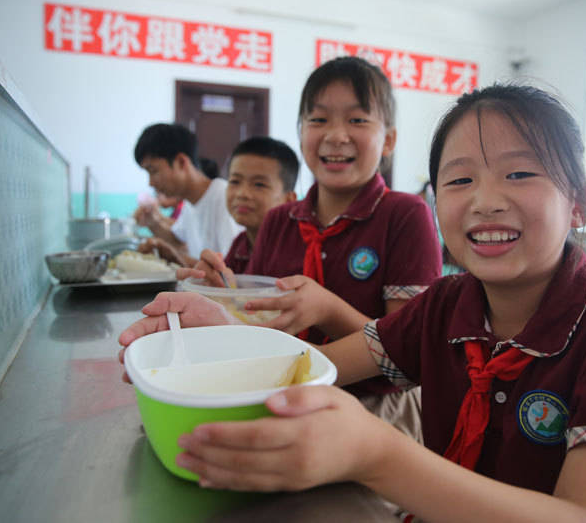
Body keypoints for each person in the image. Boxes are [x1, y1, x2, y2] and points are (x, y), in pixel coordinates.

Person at [118, 84, 586, 521]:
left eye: (519, 173)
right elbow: (314, 367)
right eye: (459, 181)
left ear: (581, 204)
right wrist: (225, 332)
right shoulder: (446, 305)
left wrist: (377, 455)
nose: (486, 201)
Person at [184, 56, 443, 440]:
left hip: (373, 414)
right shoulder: (278, 219)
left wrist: (327, 310)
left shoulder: (405, 215)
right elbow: (257, 317)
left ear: (388, 139)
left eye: (357, 120)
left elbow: (412, 355)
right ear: (301, 131)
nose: (336, 135)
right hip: (276, 395)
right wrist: (223, 289)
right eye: (318, 120)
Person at [132, 123, 242, 267]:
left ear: (181, 162)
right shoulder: (190, 202)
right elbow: (177, 240)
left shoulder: (222, 197)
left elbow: (230, 270)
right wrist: (153, 223)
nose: (151, 183)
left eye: (153, 171)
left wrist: (173, 257)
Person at [200, 136, 299, 275]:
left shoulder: (294, 250)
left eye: (259, 184)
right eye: (235, 181)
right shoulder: (241, 244)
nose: (242, 194)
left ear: (289, 200)